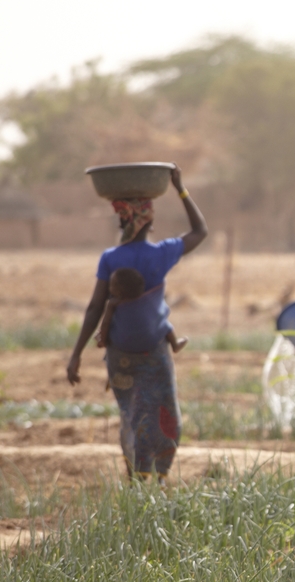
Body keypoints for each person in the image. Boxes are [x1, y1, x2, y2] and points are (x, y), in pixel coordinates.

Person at [66, 165, 208, 479]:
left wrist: (76, 354)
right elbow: (200, 231)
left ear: (122, 220)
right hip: (155, 351)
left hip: (120, 355)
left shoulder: (111, 258)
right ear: (149, 220)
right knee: (164, 412)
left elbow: (94, 308)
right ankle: (158, 475)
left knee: (132, 414)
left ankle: (137, 476)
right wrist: (181, 189)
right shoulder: (161, 253)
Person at [96, 268, 187, 354]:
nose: (109, 288)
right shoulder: (143, 301)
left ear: (118, 292)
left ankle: (103, 339)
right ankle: (175, 345)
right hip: (150, 341)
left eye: (111, 285)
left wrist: (102, 340)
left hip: (122, 343)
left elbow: (105, 322)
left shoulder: (113, 303)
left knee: (111, 326)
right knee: (164, 323)